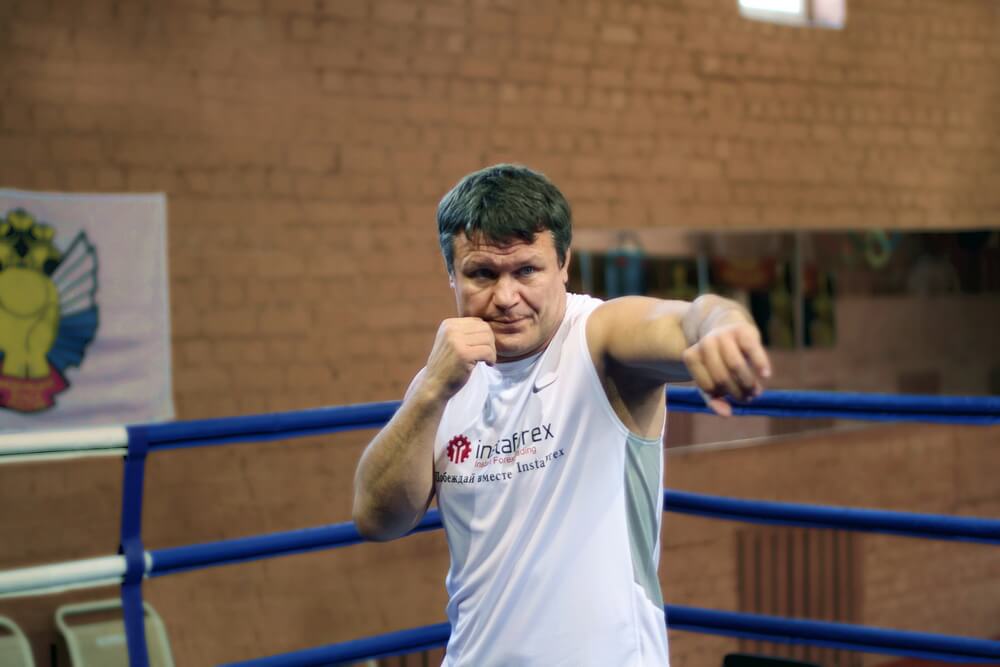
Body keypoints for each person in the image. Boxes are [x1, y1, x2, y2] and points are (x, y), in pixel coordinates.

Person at [352, 164, 771, 666]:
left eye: (526, 271)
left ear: (563, 263)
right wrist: (428, 393)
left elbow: (686, 318)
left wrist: (722, 327)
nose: (506, 298)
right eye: (482, 274)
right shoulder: (444, 379)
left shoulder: (597, 338)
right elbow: (377, 520)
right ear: (451, 274)